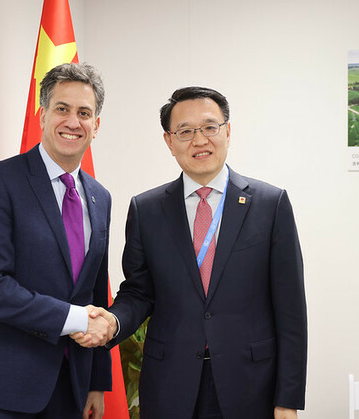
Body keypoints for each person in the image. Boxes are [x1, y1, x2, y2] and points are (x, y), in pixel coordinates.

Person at [76, 86, 307, 418]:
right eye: (185, 131)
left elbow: (291, 311)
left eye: (210, 127)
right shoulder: (147, 209)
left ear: (228, 131)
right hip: (171, 385)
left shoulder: (270, 205)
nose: (199, 140)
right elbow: (139, 292)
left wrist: (288, 399)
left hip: (251, 385)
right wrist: (113, 321)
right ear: (169, 141)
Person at [0, 63, 116, 419]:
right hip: (5, 385)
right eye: (62, 109)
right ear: (42, 115)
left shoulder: (100, 197)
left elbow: (94, 295)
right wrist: (72, 318)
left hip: (72, 387)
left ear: (96, 125)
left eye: (84, 113)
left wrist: (96, 383)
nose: (73, 122)